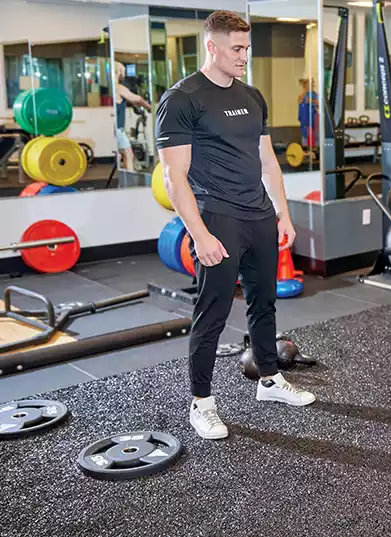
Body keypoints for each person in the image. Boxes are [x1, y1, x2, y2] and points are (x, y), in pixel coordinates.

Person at [154, 10, 315, 441]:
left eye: (247, 48)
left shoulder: (251, 95)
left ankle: (269, 379)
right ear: (212, 46)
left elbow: (268, 161)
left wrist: (282, 211)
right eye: (237, 48)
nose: (244, 56)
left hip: (259, 214)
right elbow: (174, 177)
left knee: (264, 303)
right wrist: (199, 234)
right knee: (213, 312)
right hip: (218, 218)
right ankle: (201, 403)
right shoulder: (183, 98)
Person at [113, 61, 151, 171]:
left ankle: (126, 180)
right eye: (123, 72)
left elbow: (132, 99)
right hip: (118, 130)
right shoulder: (119, 88)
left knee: (125, 155)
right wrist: (149, 107)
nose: (124, 75)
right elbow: (137, 99)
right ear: (119, 72)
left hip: (117, 129)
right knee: (129, 155)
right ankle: (129, 184)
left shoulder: (115, 88)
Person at [297, 78, 319, 148]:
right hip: (304, 121)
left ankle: (314, 149)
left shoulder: (314, 95)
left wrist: (311, 101)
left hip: (312, 121)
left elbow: (318, 104)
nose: (311, 86)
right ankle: (307, 148)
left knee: (313, 136)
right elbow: (300, 106)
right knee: (306, 136)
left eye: (312, 84)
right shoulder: (301, 96)